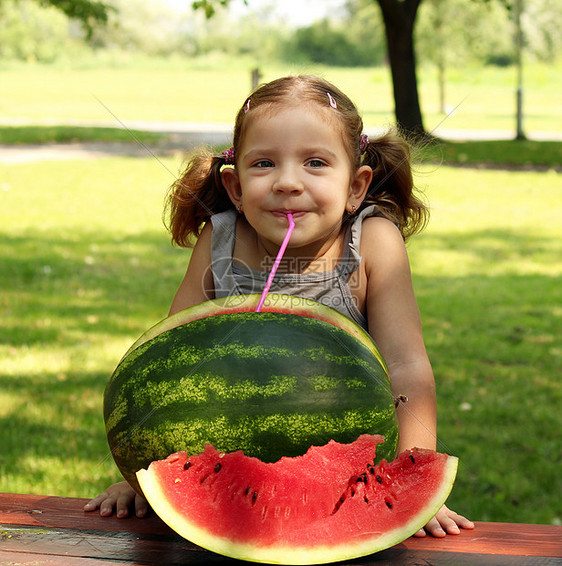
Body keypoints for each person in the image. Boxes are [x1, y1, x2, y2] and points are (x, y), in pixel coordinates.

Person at [85, 75, 474, 538]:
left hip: (346, 468)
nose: (288, 183)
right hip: (229, 465)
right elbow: (166, 374)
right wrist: (143, 473)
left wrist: (413, 480)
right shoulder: (221, 241)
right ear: (235, 186)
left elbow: (407, 366)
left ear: (356, 186)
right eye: (265, 163)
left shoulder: (372, 242)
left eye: (315, 162)